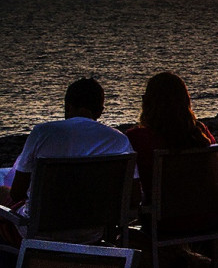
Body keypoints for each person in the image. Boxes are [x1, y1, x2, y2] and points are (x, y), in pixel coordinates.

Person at [5, 77, 134, 216]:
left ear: (67, 106)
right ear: (100, 111)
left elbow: (18, 193)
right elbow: (133, 196)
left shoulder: (42, 133)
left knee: (2, 193)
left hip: (41, 229)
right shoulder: (119, 140)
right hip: (92, 230)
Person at [125, 71, 217, 207]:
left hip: (163, 223)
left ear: (147, 103)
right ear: (186, 102)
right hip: (208, 218)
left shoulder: (136, 138)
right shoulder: (200, 133)